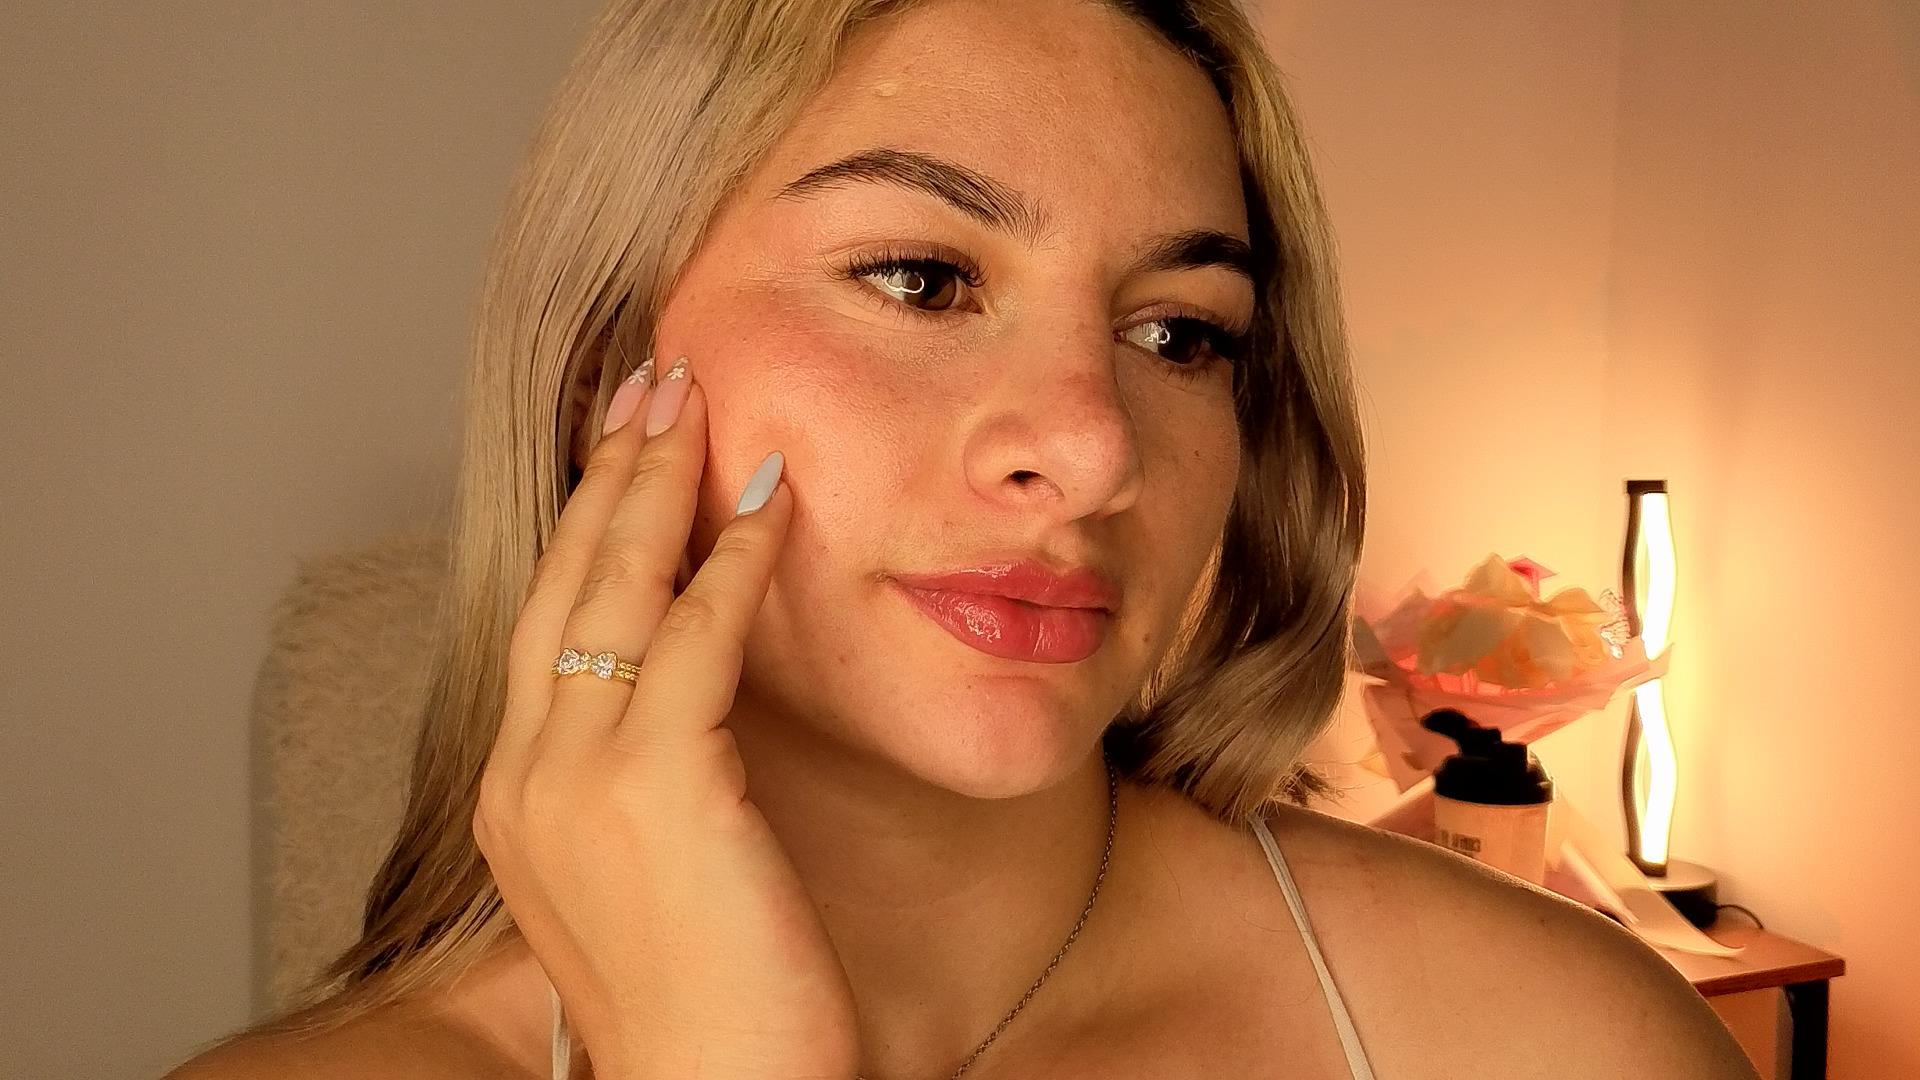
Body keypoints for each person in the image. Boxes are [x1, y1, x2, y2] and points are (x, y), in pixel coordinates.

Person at [166, 0, 1760, 1076]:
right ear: (602, 370)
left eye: (1180, 334)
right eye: (922, 281)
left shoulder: (1565, 1043)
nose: (1091, 448)